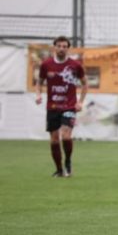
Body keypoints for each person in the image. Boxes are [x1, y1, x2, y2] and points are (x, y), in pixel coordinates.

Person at [35, 36, 86, 177]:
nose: (62, 49)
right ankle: (59, 169)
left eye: (65, 46)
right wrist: (38, 94)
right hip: (52, 107)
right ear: (54, 47)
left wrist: (80, 102)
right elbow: (39, 82)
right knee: (54, 139)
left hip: (69, 106)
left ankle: (68, 161)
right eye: (59, 46)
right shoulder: (46, 65)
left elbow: (85, 84)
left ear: (68, 48)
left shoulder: (75, 65)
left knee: (66, 136)